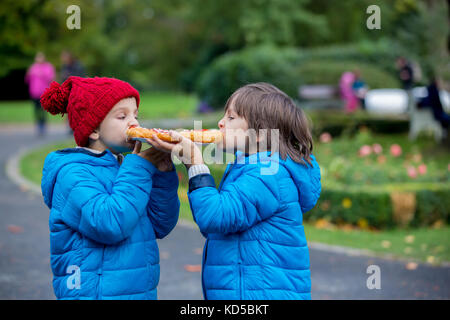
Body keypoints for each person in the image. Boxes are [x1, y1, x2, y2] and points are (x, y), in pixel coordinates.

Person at [148, 82, 322, 300]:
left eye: (231, 118)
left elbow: (215, 218)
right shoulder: (250, 168)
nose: (220, 123)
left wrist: (195, 164)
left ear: (259, 134)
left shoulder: (266, 175)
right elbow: (218, 227)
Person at [40, 76, 180, 299]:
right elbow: (109, 223)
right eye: (122, 116)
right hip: (95, 292)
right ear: (94, 129)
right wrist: (140, 167)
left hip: (137, 291)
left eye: (136, 115)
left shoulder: (126, 168)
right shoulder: (73, 173)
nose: (134, 123)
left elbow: (160, 224)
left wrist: (162, 172)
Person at [25, 52, 55, 136]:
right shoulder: (33, 67)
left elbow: (51, 78)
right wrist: (28, 74)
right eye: (38, 58)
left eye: (41, 57)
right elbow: (27, 80)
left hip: (44, 92)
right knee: (36, 110)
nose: (39, 59)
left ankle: (43, 125)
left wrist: (42, 74)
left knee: (43, 110)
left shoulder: (48, 67)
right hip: (34, 92)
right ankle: (38, 124)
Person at [60, 50, 86, 135]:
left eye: (65, 57)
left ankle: (78, 126)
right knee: (70, 109)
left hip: (77, 89)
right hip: (68, 90)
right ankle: (72, 127)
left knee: (77, 108)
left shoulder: (78, 66)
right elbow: (63, 78)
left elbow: (80, 77)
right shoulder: (65, 66)